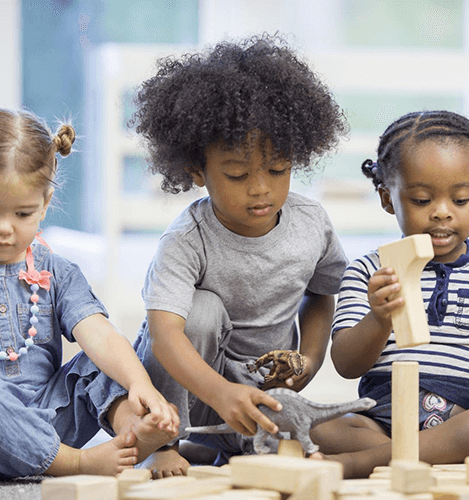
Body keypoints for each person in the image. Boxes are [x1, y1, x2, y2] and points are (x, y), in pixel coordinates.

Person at [129, 34, 348, 477]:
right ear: (197, 170)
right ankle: (164, 441)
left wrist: (309, 358)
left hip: (261, 393)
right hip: (195, 391)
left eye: (278, 169)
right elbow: (165, 334)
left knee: (344, 434)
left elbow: (323, 294)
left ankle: (226, 447)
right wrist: (220, 394)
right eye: (236, 173)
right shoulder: (186, 240)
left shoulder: (311, 224)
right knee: (201, 311)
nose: (261, 188)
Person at [309, 110, 469, 479]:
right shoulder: (368, 272)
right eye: (422, 200)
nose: (442, 213)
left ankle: (360, 464)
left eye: (459, 200)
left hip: (463, 419)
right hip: (383, 417)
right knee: (320, 426)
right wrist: (379, 318)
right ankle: (425, 458)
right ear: (387, 198)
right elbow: (347, 365)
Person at [0, 107, 179, 479]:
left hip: (50, 420)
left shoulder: (57, 272)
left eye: (23, 214)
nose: (5, 229)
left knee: (107, 360)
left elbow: (99, 335)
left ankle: (134, 436)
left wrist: (139, 383)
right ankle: (79, 463)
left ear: (44, 205)